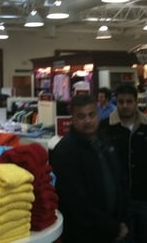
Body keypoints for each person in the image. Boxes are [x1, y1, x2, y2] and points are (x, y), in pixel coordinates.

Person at [50, 95, 129, 242]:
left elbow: (119, 179)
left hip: (113, 230)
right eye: (81, 116)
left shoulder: (105, 140)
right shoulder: (65, 151)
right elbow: (77, 203)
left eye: (91, 114)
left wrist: (121, 221)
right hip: (84, 235)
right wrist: (113, 227)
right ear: (72, 118)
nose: (87, 120)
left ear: (98, 115)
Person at [99, 84, 147, 243]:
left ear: (136, 102)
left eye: (129, 101)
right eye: (121, 102)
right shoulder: (105, 129)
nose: (125, 105)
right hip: (117, 204)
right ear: (116, 102)